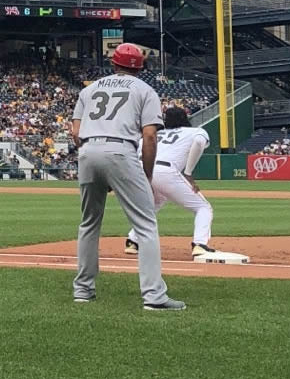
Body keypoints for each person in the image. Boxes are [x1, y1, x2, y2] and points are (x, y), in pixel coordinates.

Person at [70, 42, 186, 311]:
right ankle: (154, 296)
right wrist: (145, 173)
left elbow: (75, 132)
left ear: (113, 63)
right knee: (145, 225)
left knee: (89, 223)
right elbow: (149, 135)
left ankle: (83, 290)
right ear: (140, 68)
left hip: (88, 151)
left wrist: (95, 157)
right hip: (120, 150)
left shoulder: (89, 89)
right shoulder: (145, 90)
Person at [124, 106, 220, 259]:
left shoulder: (154, 134)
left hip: (143, 171)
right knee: (203, 208)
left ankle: (133, 241)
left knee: (153, 204)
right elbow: (200, 142)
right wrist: (188, 172)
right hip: (166, 171)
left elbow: (137, 151)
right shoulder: (195, 131)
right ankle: (200, 244)